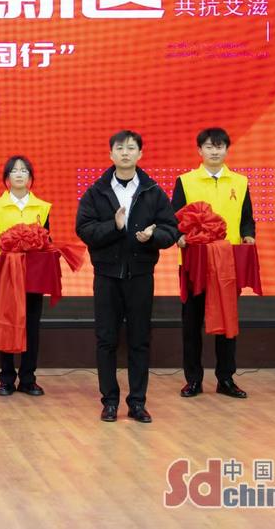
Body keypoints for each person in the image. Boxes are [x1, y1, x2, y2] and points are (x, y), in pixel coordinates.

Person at [76, 131, 178, 424]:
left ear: (140, 154)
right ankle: (109, 402)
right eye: (119, 148)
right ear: (110, 154)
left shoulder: (153, 191)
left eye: (131, 148)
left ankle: (137, 402)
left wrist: (153, 236)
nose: (125, 153)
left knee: (139, 340)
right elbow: (83, 229)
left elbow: (171, 229)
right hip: (107, 276)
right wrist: (114, 226)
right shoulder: (96, 191)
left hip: (140, 275)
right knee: (106, 340)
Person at [172, 127, 256, 400]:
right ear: (200, 150)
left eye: (219, 146)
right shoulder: (185, 181)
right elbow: (174, 219)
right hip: (195, 262)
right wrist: (178, 236)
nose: (215, 151)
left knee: (227, 322)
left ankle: (226, 379)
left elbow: (247, 218)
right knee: (191, 324)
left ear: (227, 150)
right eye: (209, 146)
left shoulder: (240, 182)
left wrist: (248, 235)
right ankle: (193, 380)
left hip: (227, 263)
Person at [0, 155, 52, 398]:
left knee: (31, 327)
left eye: (24, 170)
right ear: (7, 177)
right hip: (7, 275)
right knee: (7, 323)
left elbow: (47, 239)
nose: (19, 174)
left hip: (33, 277)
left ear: (30, 177)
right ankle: (7, 379)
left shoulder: (42, 207)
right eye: (14, 170)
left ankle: (28, 379)